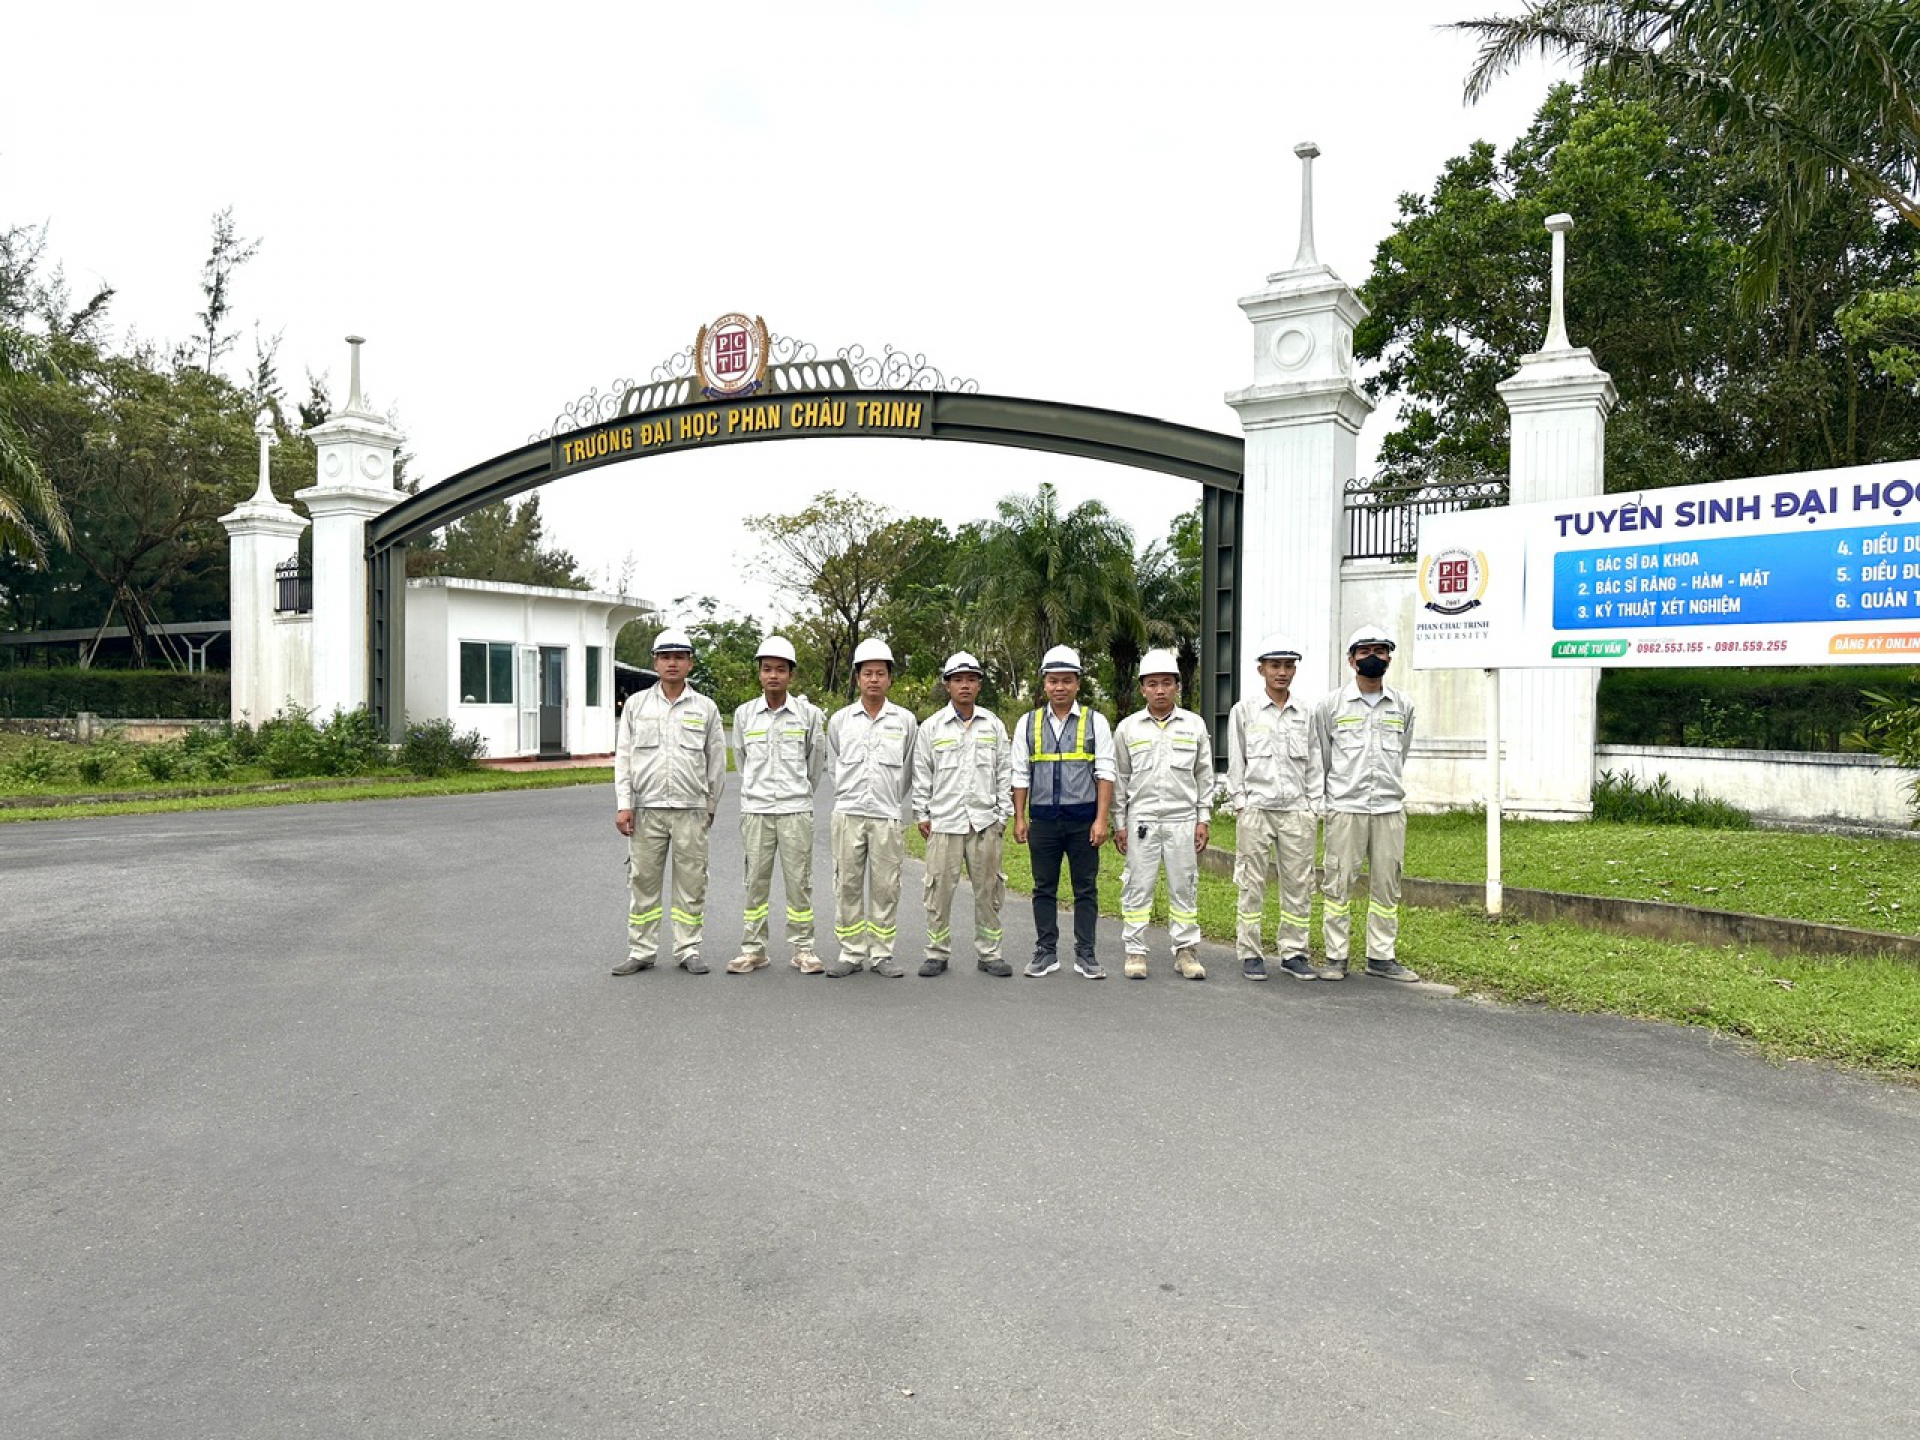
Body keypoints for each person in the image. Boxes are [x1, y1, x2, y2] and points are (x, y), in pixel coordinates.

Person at [612, 627, 726, 976]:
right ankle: (641, 950)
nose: (672, 663)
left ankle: (687, 948)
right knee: (643, 882)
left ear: (690, 663)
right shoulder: (636, 705)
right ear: (656, 662)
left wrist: (709, 807)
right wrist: (624, 803)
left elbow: (717, 762)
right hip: (647, 810)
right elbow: (624, 757)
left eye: (679, 657)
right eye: (665, 657)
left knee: (691, 884)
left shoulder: (705, 708)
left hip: (691, 809)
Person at [1311, 623, 1419, 982]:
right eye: (1365, 651)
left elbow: (1400, 754)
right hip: (1346, 806)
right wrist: (1327, 800)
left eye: (1380, 651)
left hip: (1388, 807)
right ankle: (1335, 957)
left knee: (1387, 884)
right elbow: (1323, 757)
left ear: (1389, 657)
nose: (1373, 657)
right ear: (1351, 659)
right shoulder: (1330, 705)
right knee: (1338, 882)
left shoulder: (1402, 704)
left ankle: (1381, 957)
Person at [1011, 644, 1115, 979]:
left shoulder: (1094, 722)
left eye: (1067, 680)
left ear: (1078, 683)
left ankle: (1086, 954)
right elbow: (1020, 773)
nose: (1060, 687)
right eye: (1053, 680)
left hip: (1083, 821)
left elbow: (1105, 773)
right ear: (1044, 683)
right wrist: (1020, 817)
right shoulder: (1028, 724)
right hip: (1043, 820)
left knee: (1086, 888)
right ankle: (1046, 951)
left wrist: (1101, 820)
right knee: (1044, 887)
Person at [1113, 649, 1215, 980]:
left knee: (1184, 885)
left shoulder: (1194, 725)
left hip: (1182, 819)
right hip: (1141, 819)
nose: (1160, 690)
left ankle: (1186, 952)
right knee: (1137, 886)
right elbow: (1120, 779)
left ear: (1177, 687)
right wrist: (1119, 823)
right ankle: (1135, 951)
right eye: (1153, 684)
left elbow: (1204, 776)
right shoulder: (1128, 728)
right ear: (1142, 688)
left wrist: (1203, 818)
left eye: (1167, 683)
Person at [1227, 634, 1323, 982]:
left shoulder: (1305, 713)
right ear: (1261, 669)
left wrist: (1313, 806)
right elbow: (1236, 759)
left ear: (1294, 670)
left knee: (1299, 884)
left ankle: (1294, 952)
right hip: (1257, 808)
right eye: (1275, 666)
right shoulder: (1245, 711)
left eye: (1287, 666)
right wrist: (1241, 802)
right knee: (1251, 882)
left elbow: (1314, 762)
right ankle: (1251, 952)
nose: (1281, 672)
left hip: (1297, 810)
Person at [727, 635, 825, 976]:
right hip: (756, 810)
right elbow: (741, 760)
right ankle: (753, 950)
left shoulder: (808, 715)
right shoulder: (744, 716)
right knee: (755, 881)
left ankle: (804, 949)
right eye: (767, 669)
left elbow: (815, 764)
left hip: (796, 809)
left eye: (780, 670)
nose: (773, 676)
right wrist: (758, 792)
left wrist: (797, 793)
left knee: (800, 881)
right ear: (759, 673)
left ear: (791, 675)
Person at [912, 651, 1013, 978]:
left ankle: (990, 953)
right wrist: (922, 813)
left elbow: (1004, 772)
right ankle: (937, 953)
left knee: (989, 890)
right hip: (945, 821)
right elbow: (921, 773)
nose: (965, 685)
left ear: (979, 685)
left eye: (971, 679)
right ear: (947, 685)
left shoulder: (993, 725)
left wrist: (1002, 815)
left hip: (984, 823)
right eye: (958, 680)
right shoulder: (931, 727)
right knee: (938, 890)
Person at [824, 638, 918, 978]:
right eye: (867, 673)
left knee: (886, 886)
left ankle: (881, 954)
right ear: (857, 678)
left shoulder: (905, 721)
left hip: (886, 815)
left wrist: (891, 798)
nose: (874, 679)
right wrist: (850, 794)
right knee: (846, 883)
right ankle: (850, 953)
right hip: (848, 813)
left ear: (890, 679)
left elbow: (909, 769)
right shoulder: (840, 720)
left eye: (880, 673)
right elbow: (832, 765)